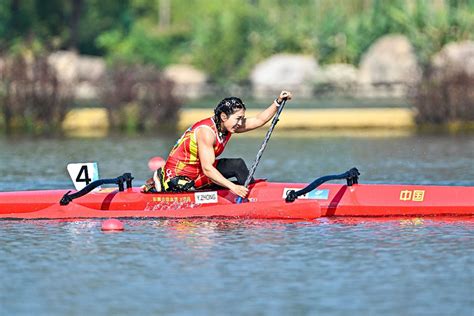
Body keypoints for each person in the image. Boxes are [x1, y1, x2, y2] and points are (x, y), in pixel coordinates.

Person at [142, 90, 292, 198]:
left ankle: (254, 194)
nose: (240, 123)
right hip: (180, 178)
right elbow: (208, 169)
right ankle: (251, 196)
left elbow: (259, 120)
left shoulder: (227, 125)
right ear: (224, 116)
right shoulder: (206, 132)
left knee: (237, 165)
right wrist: (233, 187)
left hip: (197, 171)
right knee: (229, 175)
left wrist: (277, 102)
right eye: (238, 118)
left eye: (242, 118)